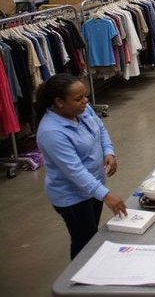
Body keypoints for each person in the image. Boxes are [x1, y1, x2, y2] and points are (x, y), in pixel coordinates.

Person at [36, 74, 128, 259]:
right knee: (84, 240)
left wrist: (108, 151)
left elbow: (100, 129)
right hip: (72, 196)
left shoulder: (81, 111)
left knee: (91, 234)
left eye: (85, 95)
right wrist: (106, 195)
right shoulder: (51, 132)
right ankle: (76, 281)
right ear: (59, 102)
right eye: (78, 98)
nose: (85, 101)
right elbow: (74, 171)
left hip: (93, 187)